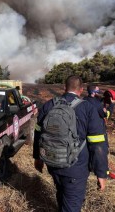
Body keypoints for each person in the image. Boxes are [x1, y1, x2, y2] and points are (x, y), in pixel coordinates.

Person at [33, 75, 108, 212]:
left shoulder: (49, 105)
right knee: (71, 205)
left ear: (64, 87)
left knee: (61, 194)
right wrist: (101, 173)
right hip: (75, 168)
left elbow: (38, 133)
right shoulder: (88, 108)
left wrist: (38, 158)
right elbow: (97, 144)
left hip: (52, 161)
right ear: (81, 90)